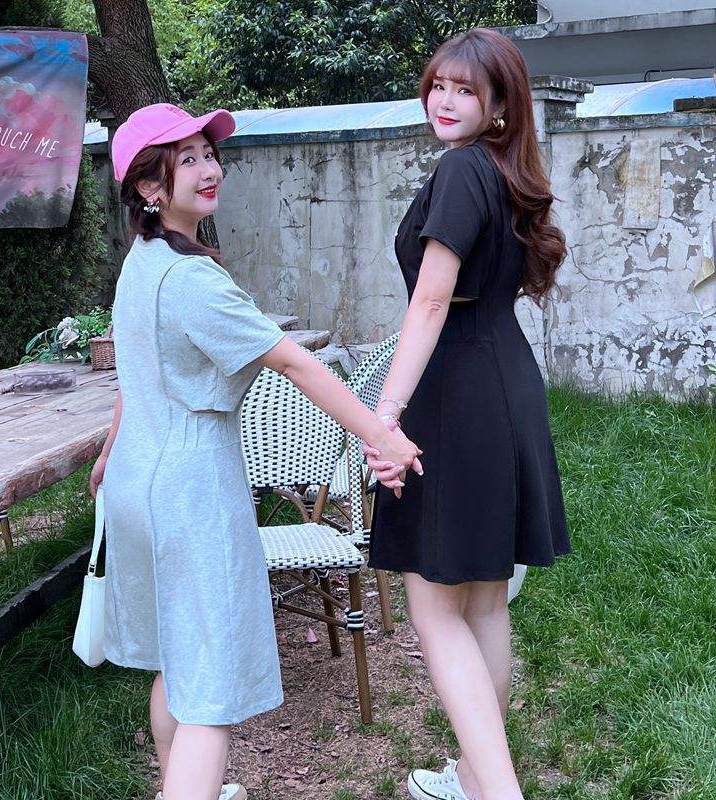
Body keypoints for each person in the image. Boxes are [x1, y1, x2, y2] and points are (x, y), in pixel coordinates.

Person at [88, 103, 422, 800]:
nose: (209, 169)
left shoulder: (141, 264)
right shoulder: (193, 280)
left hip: (136, 481)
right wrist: (381, 434)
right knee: (209, 696)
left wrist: (110, 451)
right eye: (186, 159)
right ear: (148, 186)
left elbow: (134, 373)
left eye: (209, 154)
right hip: (189, 487)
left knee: (178, 664)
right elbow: (294, 362)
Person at [364, 28, 571, 800]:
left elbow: (430, 300)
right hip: (507, 387)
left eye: (465, 90)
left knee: (434, 608)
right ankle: (476, 779)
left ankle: (498, 789)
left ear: (498, 105)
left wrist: (385, 413)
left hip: (457, 396)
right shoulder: (503, 171)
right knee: (483, 599)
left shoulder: (459, 170)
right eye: (438, 85)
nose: (444, 100)